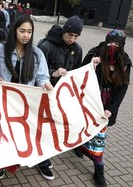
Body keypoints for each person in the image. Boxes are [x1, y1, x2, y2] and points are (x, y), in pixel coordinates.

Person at [0, 14, 53, 179]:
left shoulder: (37, 54)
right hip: (2, 101)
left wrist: (45, 84)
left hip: (22, 105)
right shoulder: (1, 48)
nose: (26, 35)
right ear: (15, 30)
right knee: (1, 134)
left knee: (18, 134)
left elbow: (42, 77)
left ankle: (18, 161)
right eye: (22, 31)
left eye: (29, 31)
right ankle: (0, 164)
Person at [76, 29, 132, 186]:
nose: (112, 46)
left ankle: (98, 169)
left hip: (106, 107)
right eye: (110, 43)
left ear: (122, 46)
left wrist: (111, 109)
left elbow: (122, 89)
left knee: (99, 139)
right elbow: (80, 73)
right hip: (89, 101)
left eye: (116, 44)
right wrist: (92, 63)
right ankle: (79, 147)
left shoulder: (125, 62)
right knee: (82, 127)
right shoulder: (95, 53)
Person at [36, 15, 83, 180]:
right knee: (43, 127)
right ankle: (41, 160)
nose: (72, 39)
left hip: (61, 97)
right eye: (70, 35)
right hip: (43, 94)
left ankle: (44, 155)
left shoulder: (77, 49)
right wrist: (52, 73)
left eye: (76, 36)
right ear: (64, 31)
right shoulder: (46, 45)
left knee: (54, 127)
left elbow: (76, 73)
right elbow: (34, 68)